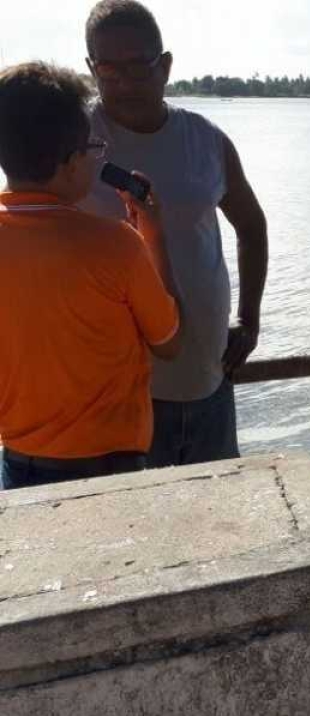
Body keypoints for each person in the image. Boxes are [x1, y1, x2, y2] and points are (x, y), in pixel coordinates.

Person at [81, 0, 268, 467]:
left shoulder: (206, 140)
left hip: (209, 382)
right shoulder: (71, 142)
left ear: (165, 66)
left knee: (222, 521)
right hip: (119, 399)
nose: (124, 83)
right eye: (108, 69)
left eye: (139, 67)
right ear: (90, 69)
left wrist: (249, 319)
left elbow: (251, 225)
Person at [0, 61, 182, 490]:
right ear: (69, 163)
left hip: (17, 462)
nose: (94, 158)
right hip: (107, 471)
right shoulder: (118, 244)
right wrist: (152, 237)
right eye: (91, 148)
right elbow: (171, 342)